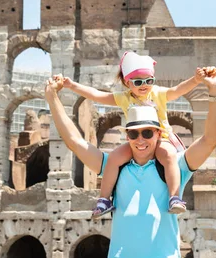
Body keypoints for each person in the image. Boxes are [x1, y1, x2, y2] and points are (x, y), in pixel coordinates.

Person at [45, 66, 216, 258]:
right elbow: (75, 142)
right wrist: (53, 98)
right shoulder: (113, 167)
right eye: (133, 134)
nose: (140, 140)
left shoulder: (176, 166)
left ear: (158, 133)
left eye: (147, 133)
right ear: (126, 136)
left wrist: (214, 94)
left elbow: (211, 140)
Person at [51, 51, 207, 218]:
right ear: (127, 82)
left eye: (149, 80)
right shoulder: (123, 98)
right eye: (138, 82)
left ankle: (174, 197)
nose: (144, 85)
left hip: (161, 138)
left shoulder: (158, 93)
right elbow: (97, 95)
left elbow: (178, 90)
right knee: (113, 158)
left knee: (168, 155)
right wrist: (71, 85)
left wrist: (196, 80)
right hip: (136, 140)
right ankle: (104, 199)